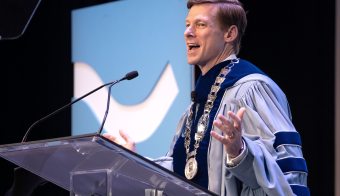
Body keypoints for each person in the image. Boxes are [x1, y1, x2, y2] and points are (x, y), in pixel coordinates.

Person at [104, 0, 310, 195]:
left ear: (229, 33)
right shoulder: (195, 108)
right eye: (187, 25)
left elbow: (287, 172)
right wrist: (132, 160)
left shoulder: (251, 89)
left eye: (200, 24)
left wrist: (240, 152)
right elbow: (181, 172)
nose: (187, 32)